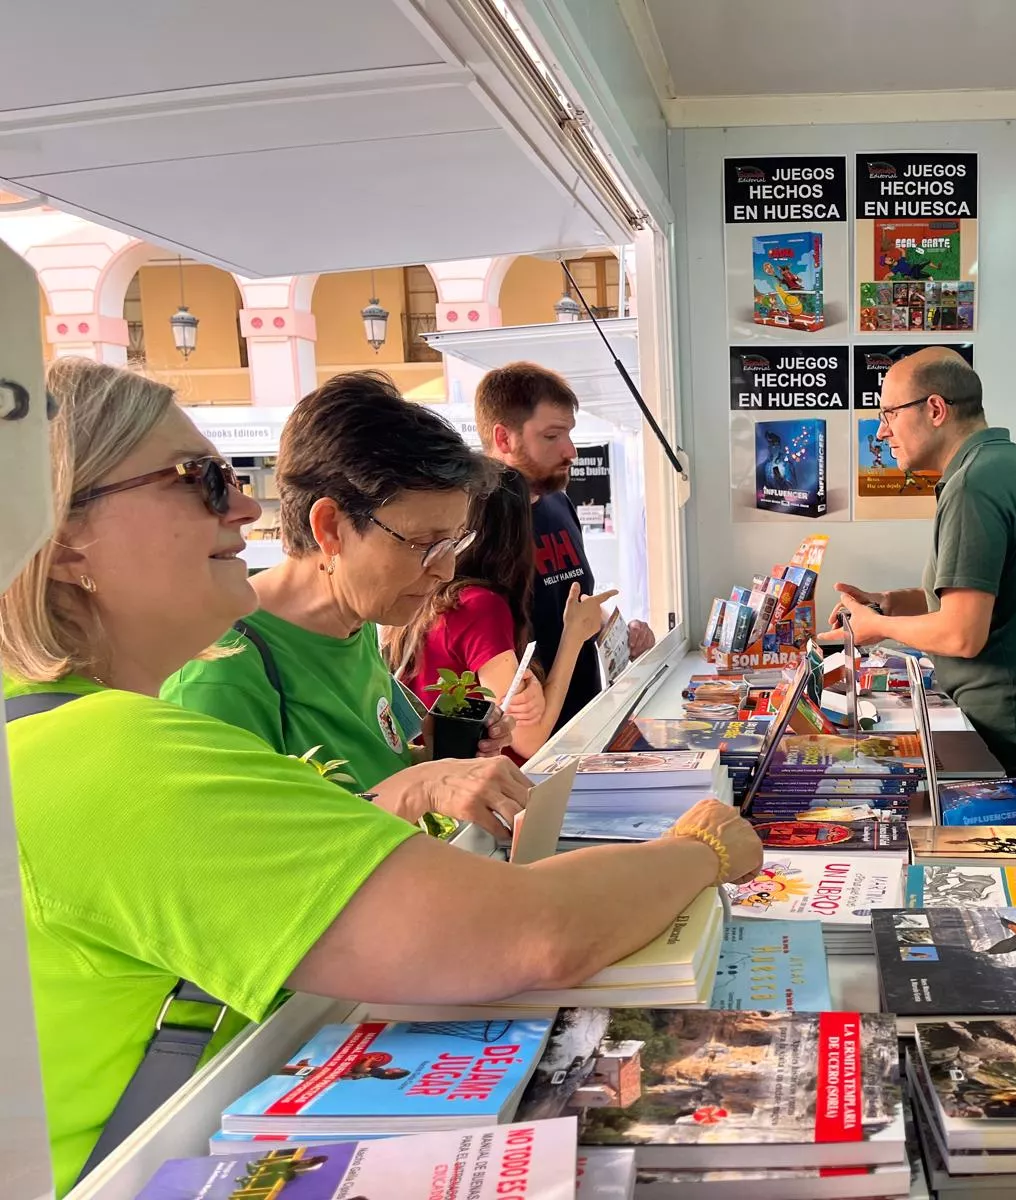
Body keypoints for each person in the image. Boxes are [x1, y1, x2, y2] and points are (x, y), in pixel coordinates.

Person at [0, 359, 763, 1193]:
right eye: (203, 481)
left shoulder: (50, 730)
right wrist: (704, 847)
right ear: (60, 534)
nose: (248, 507)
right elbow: (532, 933)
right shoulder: (110, 754)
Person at [162, 372, 541, 837]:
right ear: (330, 528)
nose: (445, 571)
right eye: (423, 544)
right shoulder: (221, 669)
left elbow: (371, 773)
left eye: (453, 544)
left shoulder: (354, 622)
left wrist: (439, 759)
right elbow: (238, 854)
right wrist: (417, 788)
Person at [829, 349, 1016, 811]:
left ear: (935, 409)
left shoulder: (973, 485)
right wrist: (888, 602)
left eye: (889, 413)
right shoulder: (1014, 466)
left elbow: (961, 633)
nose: (882, 431)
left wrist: (877, 628)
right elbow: (984, 595)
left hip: (1015, 733)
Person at [382, 462, 616, 763]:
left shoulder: (431, 597)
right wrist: (573, 636)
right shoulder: (480, 606)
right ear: (515, 534)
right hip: (489, 782)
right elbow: (530, 740)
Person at [476, 362, 656, 729]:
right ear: (504, 438)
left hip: (584, 723)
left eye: (569, 434)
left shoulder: (559, 503)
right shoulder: (477, 528)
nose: (571, 450)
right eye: (551, 436)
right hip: (523, 741)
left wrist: (620, 633)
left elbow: (572, 599)